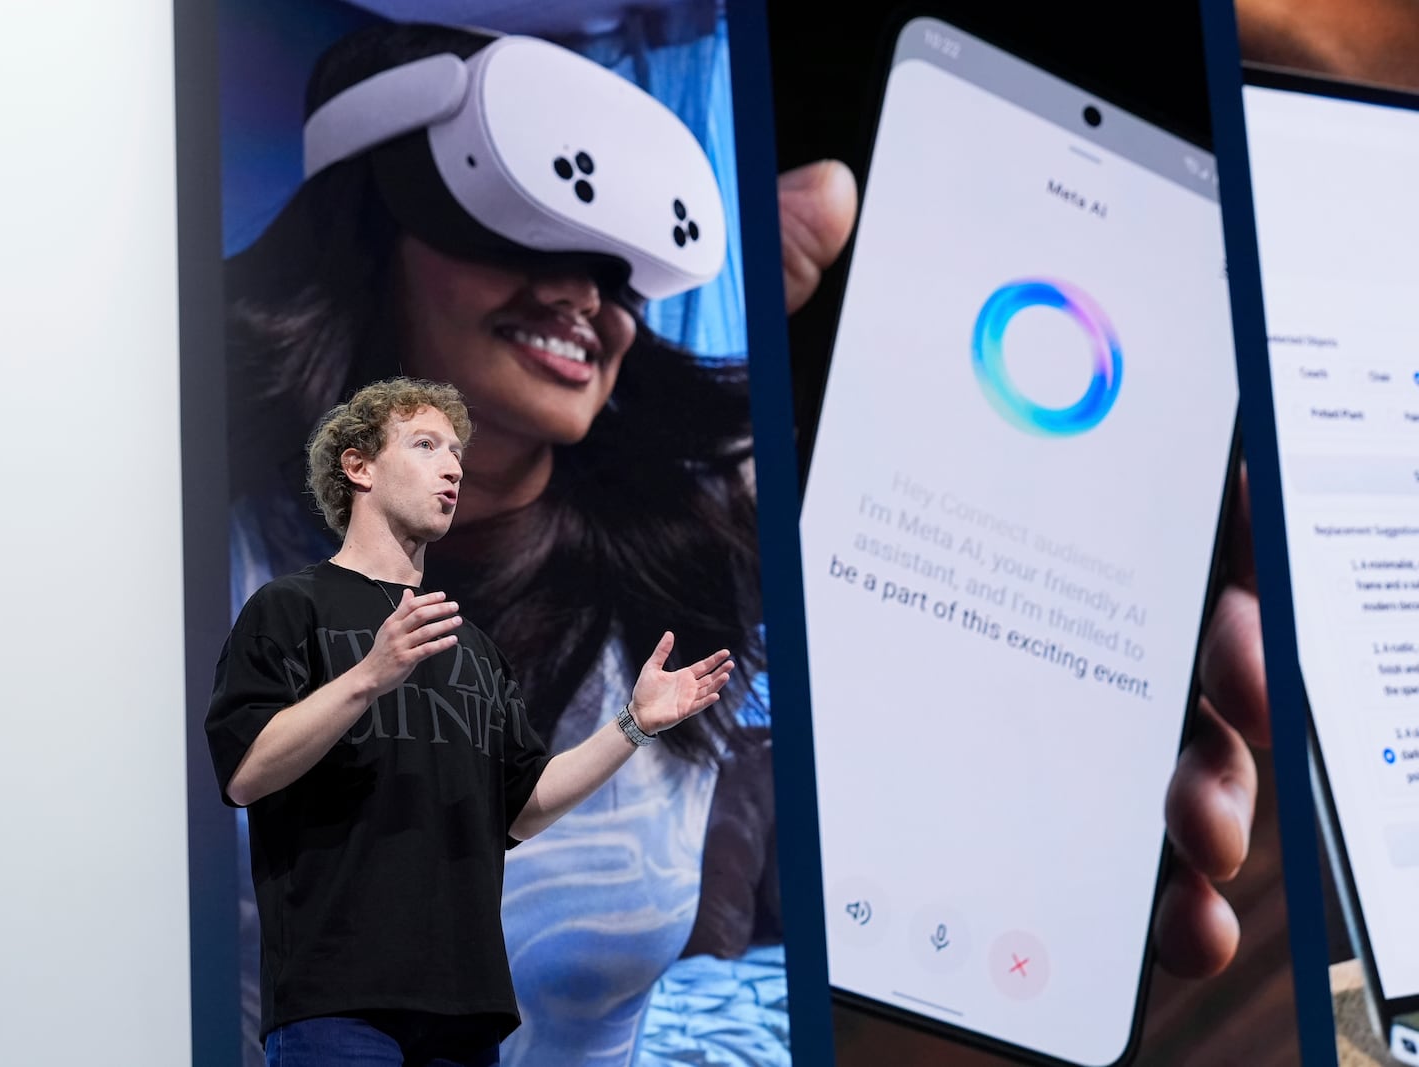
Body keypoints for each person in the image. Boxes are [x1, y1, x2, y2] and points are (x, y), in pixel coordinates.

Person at [218, 14, 1271, 1064]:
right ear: (366, 229)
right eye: (521, 228)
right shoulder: (208, 543)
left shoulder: (703, 539)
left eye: (622, 271)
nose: (587, 297)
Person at [206, 377, 737, 1066]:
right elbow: (247, 773)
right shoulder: (288, 607)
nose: (453, 466)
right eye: (425, 445)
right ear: (358, 466)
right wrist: (369, 675)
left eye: (456, 451)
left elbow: (521, 807)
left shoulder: (474, 648)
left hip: (465, 1013)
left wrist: (633, 724)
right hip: (335, 1002)